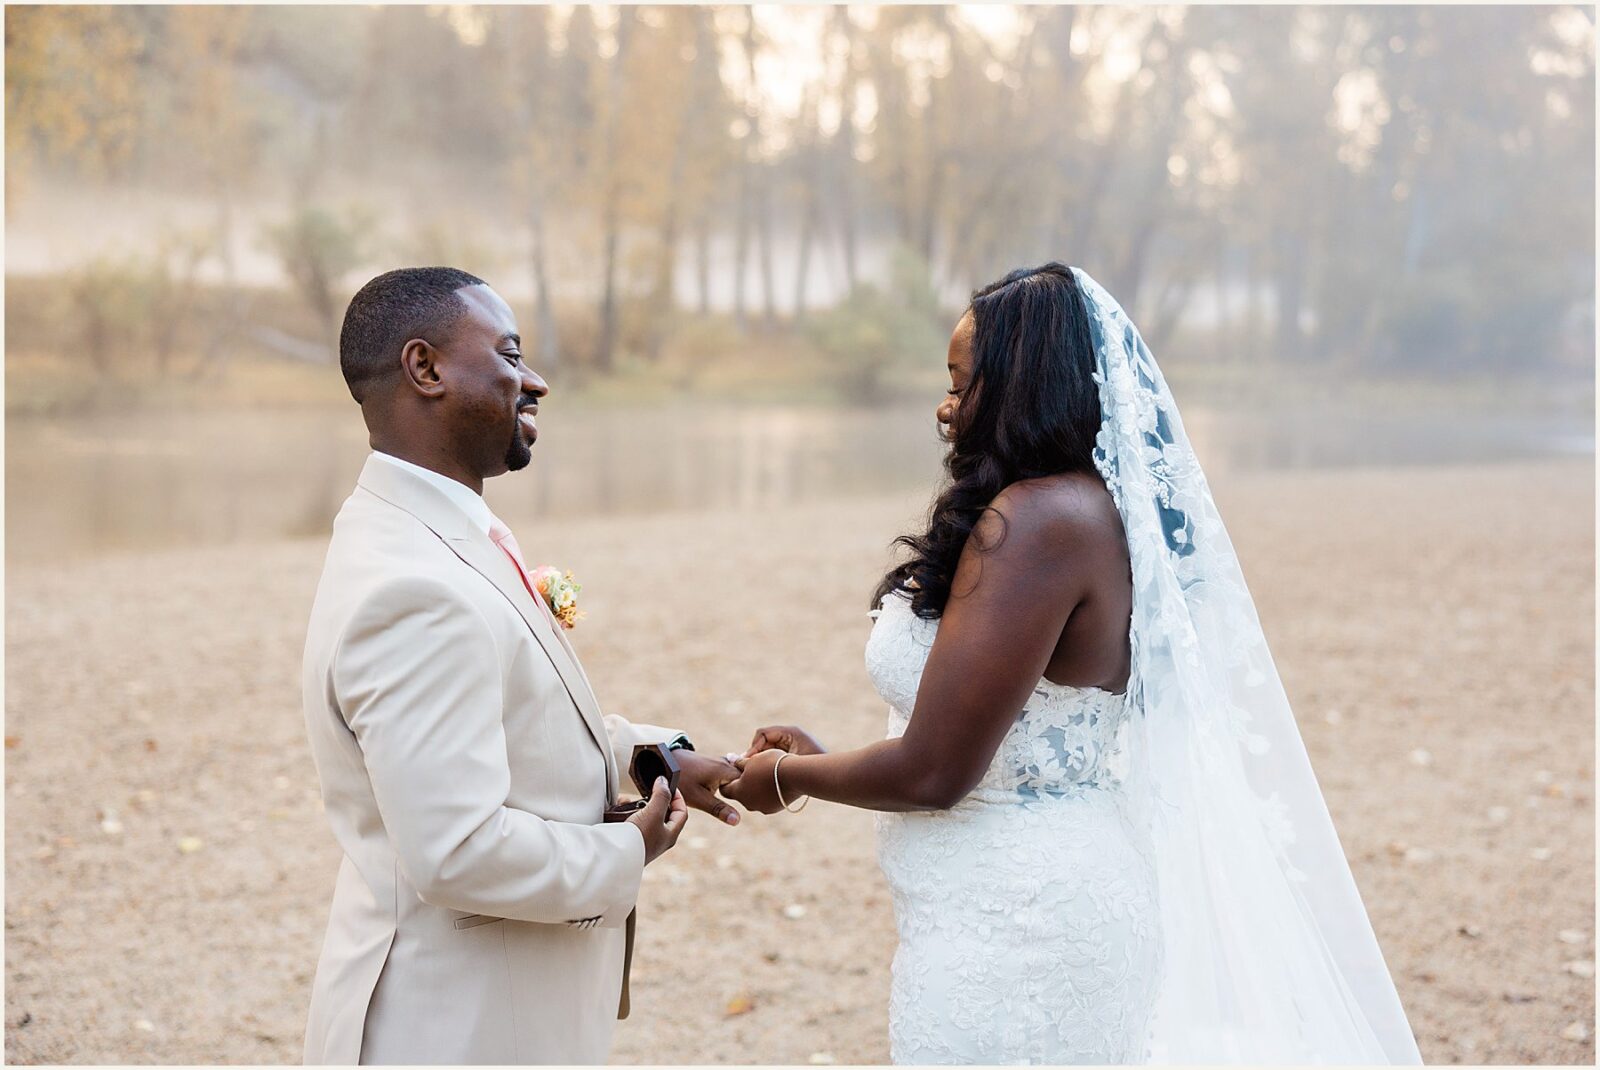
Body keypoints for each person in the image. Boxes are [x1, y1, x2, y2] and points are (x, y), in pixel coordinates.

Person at [722, 263, 1422, 1064]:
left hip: (1023, 931)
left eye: (960, 382)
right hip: (1004, 907)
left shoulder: (1041, 523)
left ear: (1021, 383)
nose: (944, 407)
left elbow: (935, 772)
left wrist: (787, 778)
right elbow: (996, 729)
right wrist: (828, 755)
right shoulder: (1083, 511)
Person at [300, 267, 740, 1064]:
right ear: (425, 369)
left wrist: (650, 755)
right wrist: (628, 850)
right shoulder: (413, 586)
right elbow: (457, 849)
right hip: (454, 1028)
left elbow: (505, 719)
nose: (533, 381)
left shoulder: (434, 531)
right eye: (507, 355)